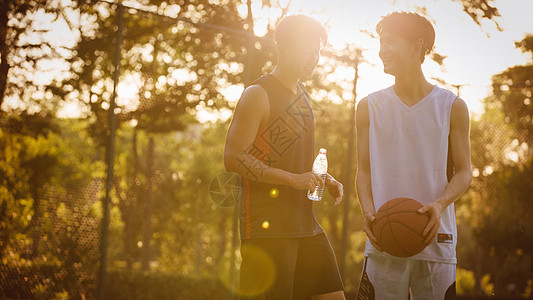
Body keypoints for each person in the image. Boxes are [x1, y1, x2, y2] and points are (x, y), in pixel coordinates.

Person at [224, 14, 346, 300]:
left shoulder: (303, 96)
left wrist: (323, 178)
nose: (314, 57)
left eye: (318, 50)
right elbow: (233, 157)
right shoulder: (258, 94)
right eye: (307, 48)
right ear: (284, 47)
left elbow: (293, 160)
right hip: (270, 229)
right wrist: (292, 180)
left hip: (306, 224)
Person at [355, 12, 472, 299]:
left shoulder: (452, 106)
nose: (382, 51)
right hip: (384, 238)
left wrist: (440, 203)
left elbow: (464, 171)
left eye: (390, 42)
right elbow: (364, 171)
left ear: (417, 46)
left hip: (436, 239)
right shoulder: (368, 107)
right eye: (380, 43)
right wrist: (368, 211)